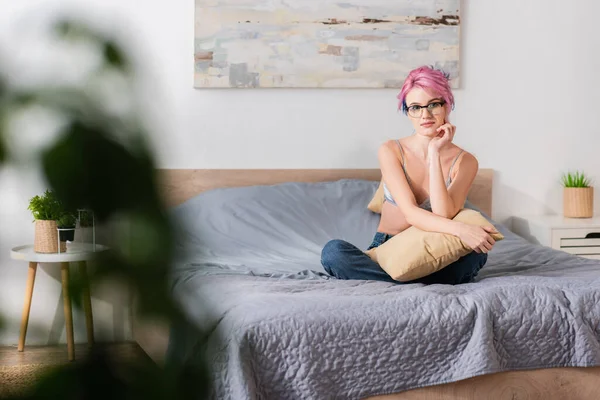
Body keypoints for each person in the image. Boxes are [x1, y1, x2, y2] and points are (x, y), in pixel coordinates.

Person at [321, 66, 497, 285]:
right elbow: (411, 214)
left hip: (434, 247)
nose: (425, 115)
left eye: (433, 104)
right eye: (415, 107)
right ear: (408, 112)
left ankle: (393, 282)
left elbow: (443, 213)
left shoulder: (466, 162)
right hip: (388, 248)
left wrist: (434, 153)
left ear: (447, 105)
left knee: (477, 254)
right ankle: (420, 281)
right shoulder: (391, 150)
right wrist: (462, 229)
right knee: (333, 252)